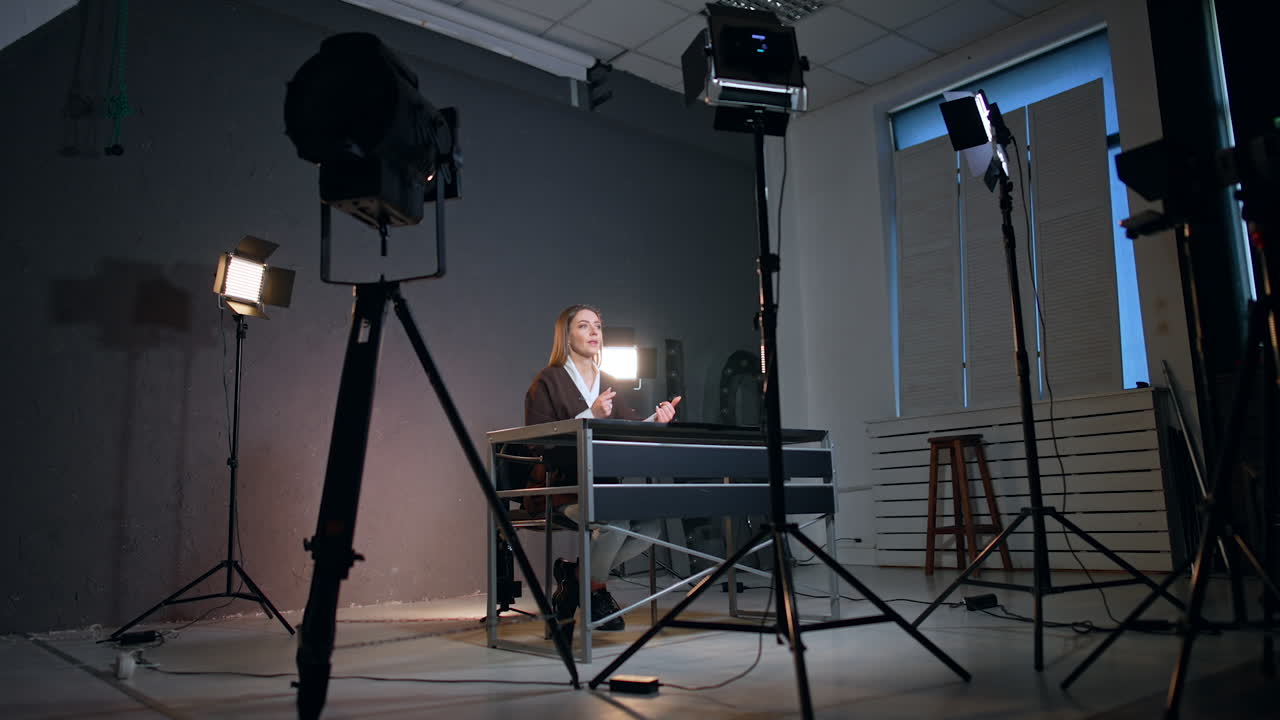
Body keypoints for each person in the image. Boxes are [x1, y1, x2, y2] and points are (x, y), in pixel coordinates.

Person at [524, 304, 681, 637]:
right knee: (616, 523)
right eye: (584, 326)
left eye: (598, 325)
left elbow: (628, 428)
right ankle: (595, 592)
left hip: (605, 486)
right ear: (565, 336)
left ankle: (574, 582)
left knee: (650, 527)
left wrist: (658, 420)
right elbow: (537, 443)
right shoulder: (548, 380)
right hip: (561, 488)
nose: (594, 332)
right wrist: (588, 414)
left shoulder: (609, 381)